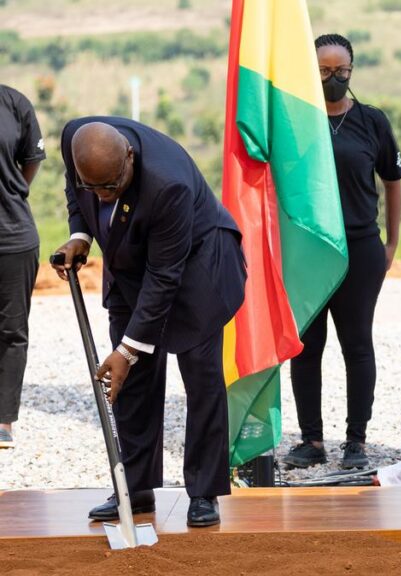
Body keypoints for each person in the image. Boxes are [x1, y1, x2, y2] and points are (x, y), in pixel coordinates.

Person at [52, 118, 247, 527]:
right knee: (132, 382)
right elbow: (77, 192)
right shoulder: (76, 140)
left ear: (129, 156)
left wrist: (126, 349)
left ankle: (204, 491)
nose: (104, 196)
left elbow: (165, 277)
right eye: (96, 188)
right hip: (130, 265)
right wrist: (80, 236)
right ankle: (135, 489)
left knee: (201, 377)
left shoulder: (168, 183)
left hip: (197, 266)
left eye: (112, 185)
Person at [281, 33, 401, 471]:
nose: (334, 78)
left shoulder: (372, 121)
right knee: (305, 346)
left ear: (352, 70)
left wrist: (391, 242)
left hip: (359, 248)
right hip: (308, 252)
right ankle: (311, 440)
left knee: (357, 344)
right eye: (324, 71)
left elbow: (393, 179)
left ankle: (356, 441)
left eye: (341, 70)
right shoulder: (294, 120)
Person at [0, 85, 46, 450]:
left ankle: (3, 421)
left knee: (11, 330)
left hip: (11, 236)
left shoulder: (14, 103)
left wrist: (11, 192)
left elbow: (30, 161)